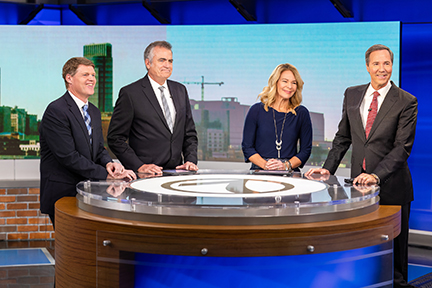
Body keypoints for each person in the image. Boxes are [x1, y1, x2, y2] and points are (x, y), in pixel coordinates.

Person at [305, 44, 418, 288]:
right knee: (363, 251)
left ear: (392, 65)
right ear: (367, 67)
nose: (382, 69)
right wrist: (328, 168)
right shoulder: (352, 94)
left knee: (395, 260)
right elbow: (343, 137)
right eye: (376, 64)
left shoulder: (406, 101)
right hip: (359, 188)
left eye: (386, 63)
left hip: (393, 186)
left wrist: (376, 175)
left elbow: (402, 147)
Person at [39, 57, 136, 228]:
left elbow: (98, 148)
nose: (92, 79)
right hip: (63, 194)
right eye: (85, 75)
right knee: (71, 250)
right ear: (69, 78)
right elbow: (68, 156)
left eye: (93, 75)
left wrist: (109, 164)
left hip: (89, 192)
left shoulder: (94, 111)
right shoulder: (56, 111)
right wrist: (107, 176)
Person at [107, 40, 198, 175]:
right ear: (148, 63)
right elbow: (115, 138)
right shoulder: (130, 93)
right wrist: (139, 166)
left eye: (170, 61)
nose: (167, 65)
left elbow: (189, 133)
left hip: (176, 173)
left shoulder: (180, 90)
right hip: (145, 176)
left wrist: (191, 160)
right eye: (162, 60)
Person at [241, 63, 312, 172]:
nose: (289, 86)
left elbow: (305, 150)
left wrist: (285, 166)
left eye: (294, 83)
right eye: (285, 81)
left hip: (290, 171)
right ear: (275, 82)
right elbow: (247, 147)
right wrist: (266, 165)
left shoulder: (301, 113)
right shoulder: (256, 110)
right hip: (260, 171)